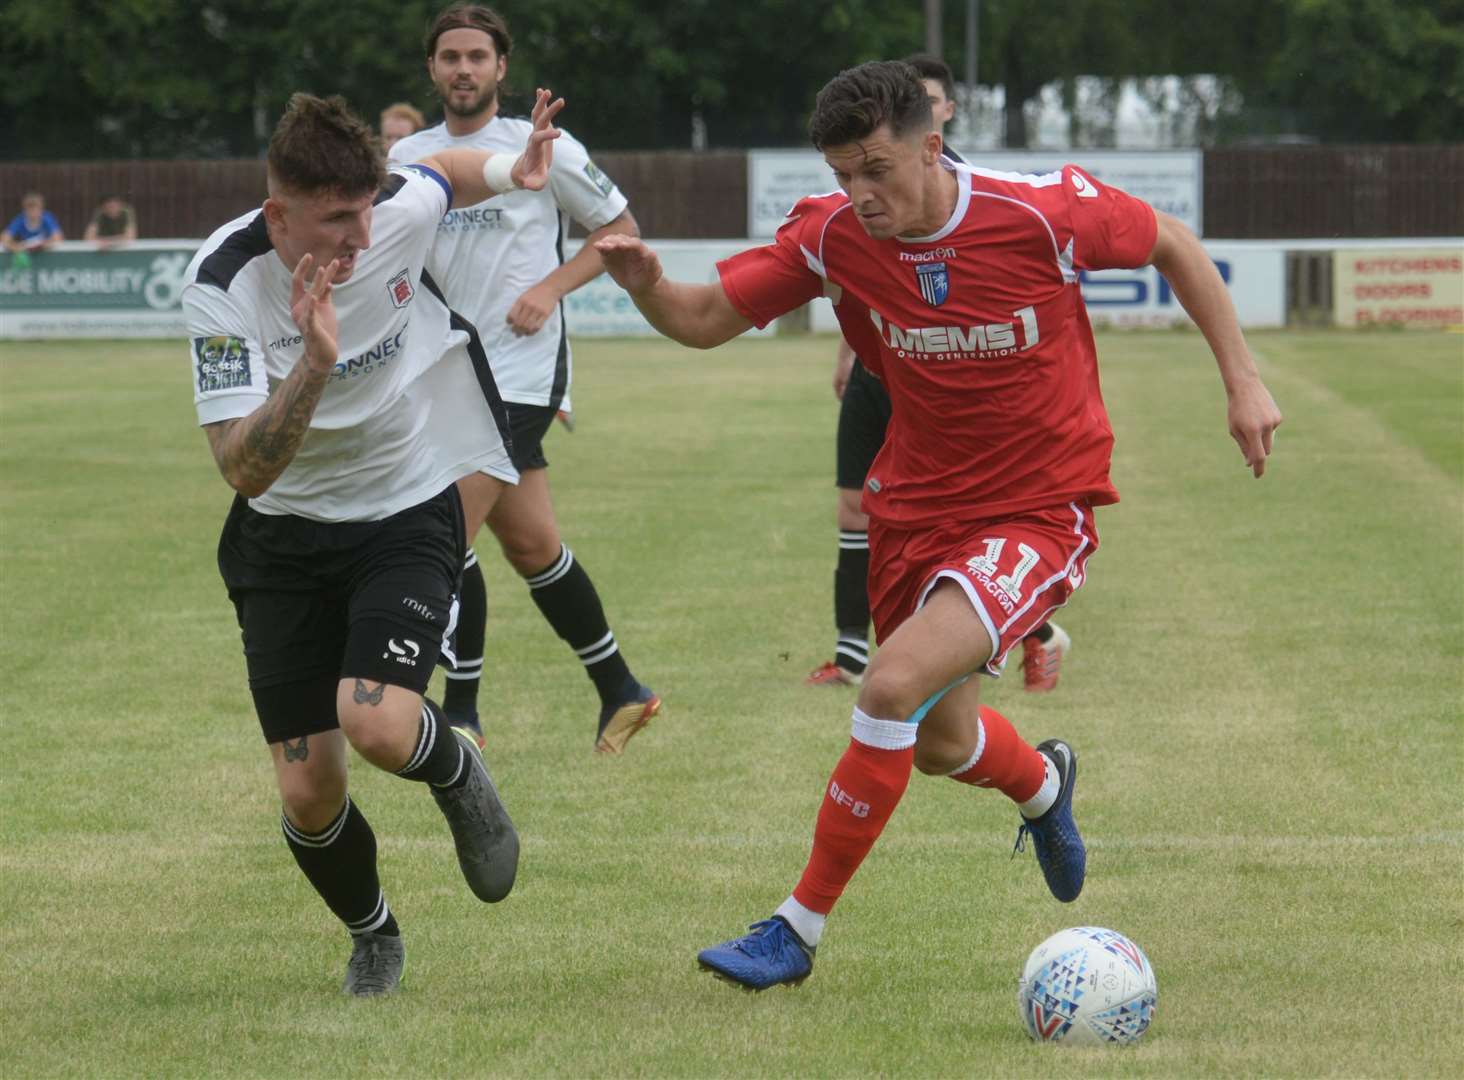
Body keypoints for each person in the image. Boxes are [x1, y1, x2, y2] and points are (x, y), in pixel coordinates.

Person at [596, 60, 1281, 990]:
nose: (860, 194)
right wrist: (645, 286)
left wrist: (1242, 380)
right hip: (914, 510)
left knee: (889, 687)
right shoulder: (835, 236)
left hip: (1038, 507)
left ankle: (794, 931)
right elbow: (703, 318)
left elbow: (1173, 243)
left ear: (931, 142)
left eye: (876, 168)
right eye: (843, 173)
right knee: (937, 743)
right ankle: (1044, 786)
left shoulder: (1039, 210)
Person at [182, 87, 565, 996]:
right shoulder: (221, 285)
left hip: (404, 509)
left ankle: (455, 769)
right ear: (279, 214)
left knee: (380, 722)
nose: (360, 240)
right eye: (333, 222)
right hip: (280, 540)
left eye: (366, 214)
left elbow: (447, 173)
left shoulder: (395, 205)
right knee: (310, 792)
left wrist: (517, 168)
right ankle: (374, 934)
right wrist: (312, 366)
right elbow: (244, 470)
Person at [390, 3, 658, 755]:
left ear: (501, 68)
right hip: (441, 372)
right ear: (433, 69)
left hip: (517, 373)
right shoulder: (411, 155)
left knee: (440, 535)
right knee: (533, 544)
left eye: (478, 56)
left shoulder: (544, 145)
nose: (464, 69)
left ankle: (462, 714)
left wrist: (551, 288)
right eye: (451, 57)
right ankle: (622, 691)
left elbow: (623, 233)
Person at [807, 52, 1071, 694]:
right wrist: (848, 354)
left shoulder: (991, 206)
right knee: (851, 506)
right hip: (881, 373)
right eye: (848, 173)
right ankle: (849, 651)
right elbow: (852, 286)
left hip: (943, 386)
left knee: (961, 529)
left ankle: (1030, 630)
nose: (861, 185)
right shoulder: (853, 218)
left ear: (939, 125)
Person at [3, 192, 64, 257]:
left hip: (45, 255)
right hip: (26, 256)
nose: (33, 213)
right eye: (30, 209)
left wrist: (45, 244)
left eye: (36, 209)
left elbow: (58, 237)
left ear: (41, 209)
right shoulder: (19, 220)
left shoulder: (47, 218)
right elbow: (5, 238)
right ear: (25, 210)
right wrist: (16, 247)